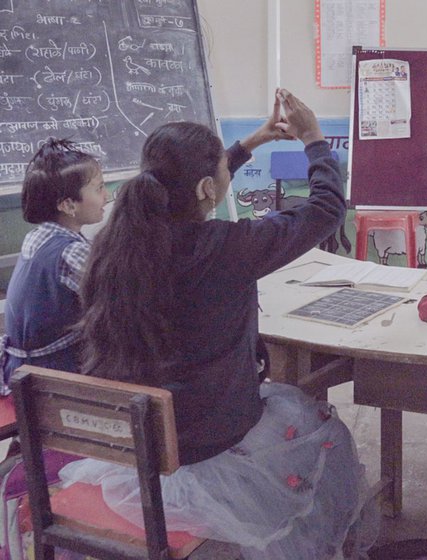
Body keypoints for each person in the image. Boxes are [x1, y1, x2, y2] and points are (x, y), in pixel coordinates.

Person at [57, 90, 372, 560]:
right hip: (208, 438)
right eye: (223, 172)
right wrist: (313, 138)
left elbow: (185, 182)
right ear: (207, 189)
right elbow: (325, 210)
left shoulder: (112, 247)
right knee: (325, 433)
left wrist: (249, 145)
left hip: (136, 444)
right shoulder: (224, 246)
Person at [0, 139, 108, 394]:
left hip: (21, 371)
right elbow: (117, 304)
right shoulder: (71, 251)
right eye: (99, 188)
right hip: (50, 379)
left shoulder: (40, 235)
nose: (107, 196)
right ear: (68, 205)